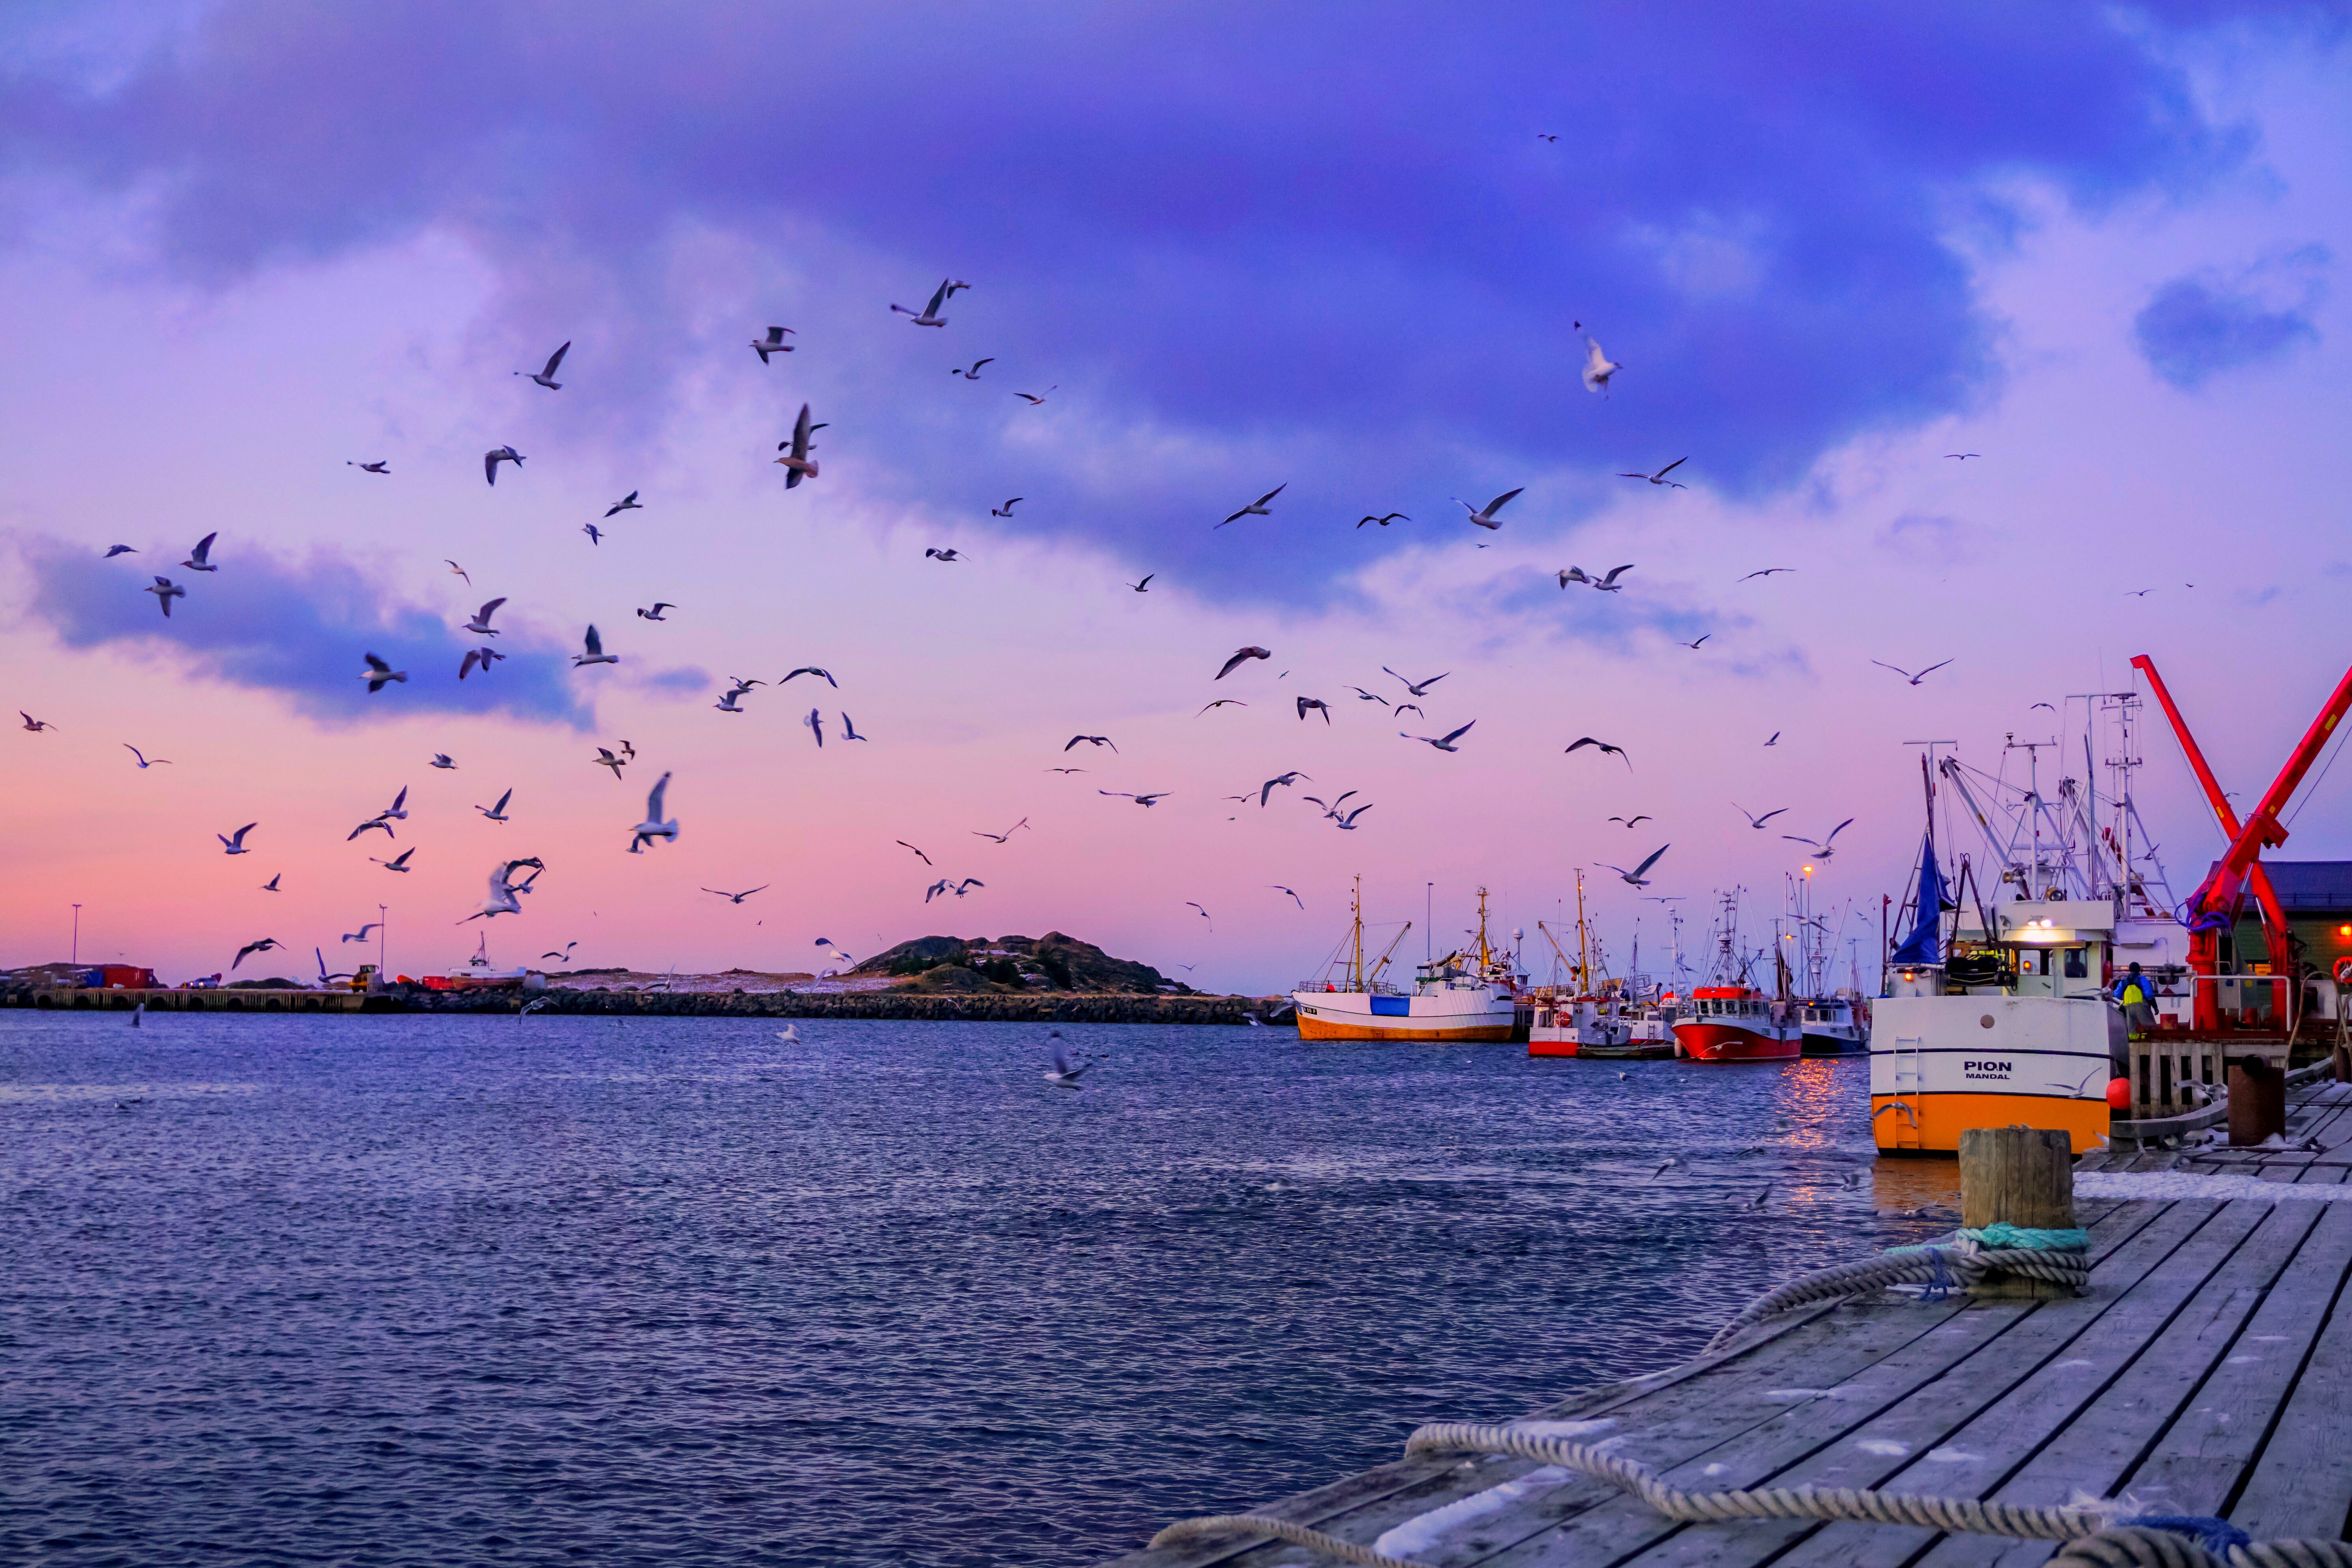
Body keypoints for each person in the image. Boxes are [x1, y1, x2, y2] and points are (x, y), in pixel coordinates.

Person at [2111, 961, 2156, 1038]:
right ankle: (2146, 1040)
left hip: (2129, 1007)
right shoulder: (2142, 979)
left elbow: (2117, 994)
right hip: (2142, 1006)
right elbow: (2149, 995)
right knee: (2148, 1026)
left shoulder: (2124, 982)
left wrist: (2126, 998)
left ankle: (2134, 1042)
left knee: (2132, 1029)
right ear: (2139, 970)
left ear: (2130, 970)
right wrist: (2155, 1007)